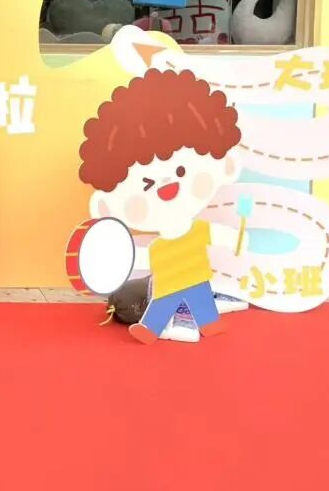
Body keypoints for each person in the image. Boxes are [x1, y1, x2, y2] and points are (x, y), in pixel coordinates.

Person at [79, 68, 247, 344]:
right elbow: (138, 258)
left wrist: (235, 239)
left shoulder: (197, 230)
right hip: (171, 274)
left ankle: (195, 324)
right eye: (147, 183)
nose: (168, 183)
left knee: (194, 293)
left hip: (190, 271)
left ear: (226, 164)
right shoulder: (165, 244)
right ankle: (167, 326)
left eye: (181, 171)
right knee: (176, 295)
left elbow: (221, 236)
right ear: (107, 206)